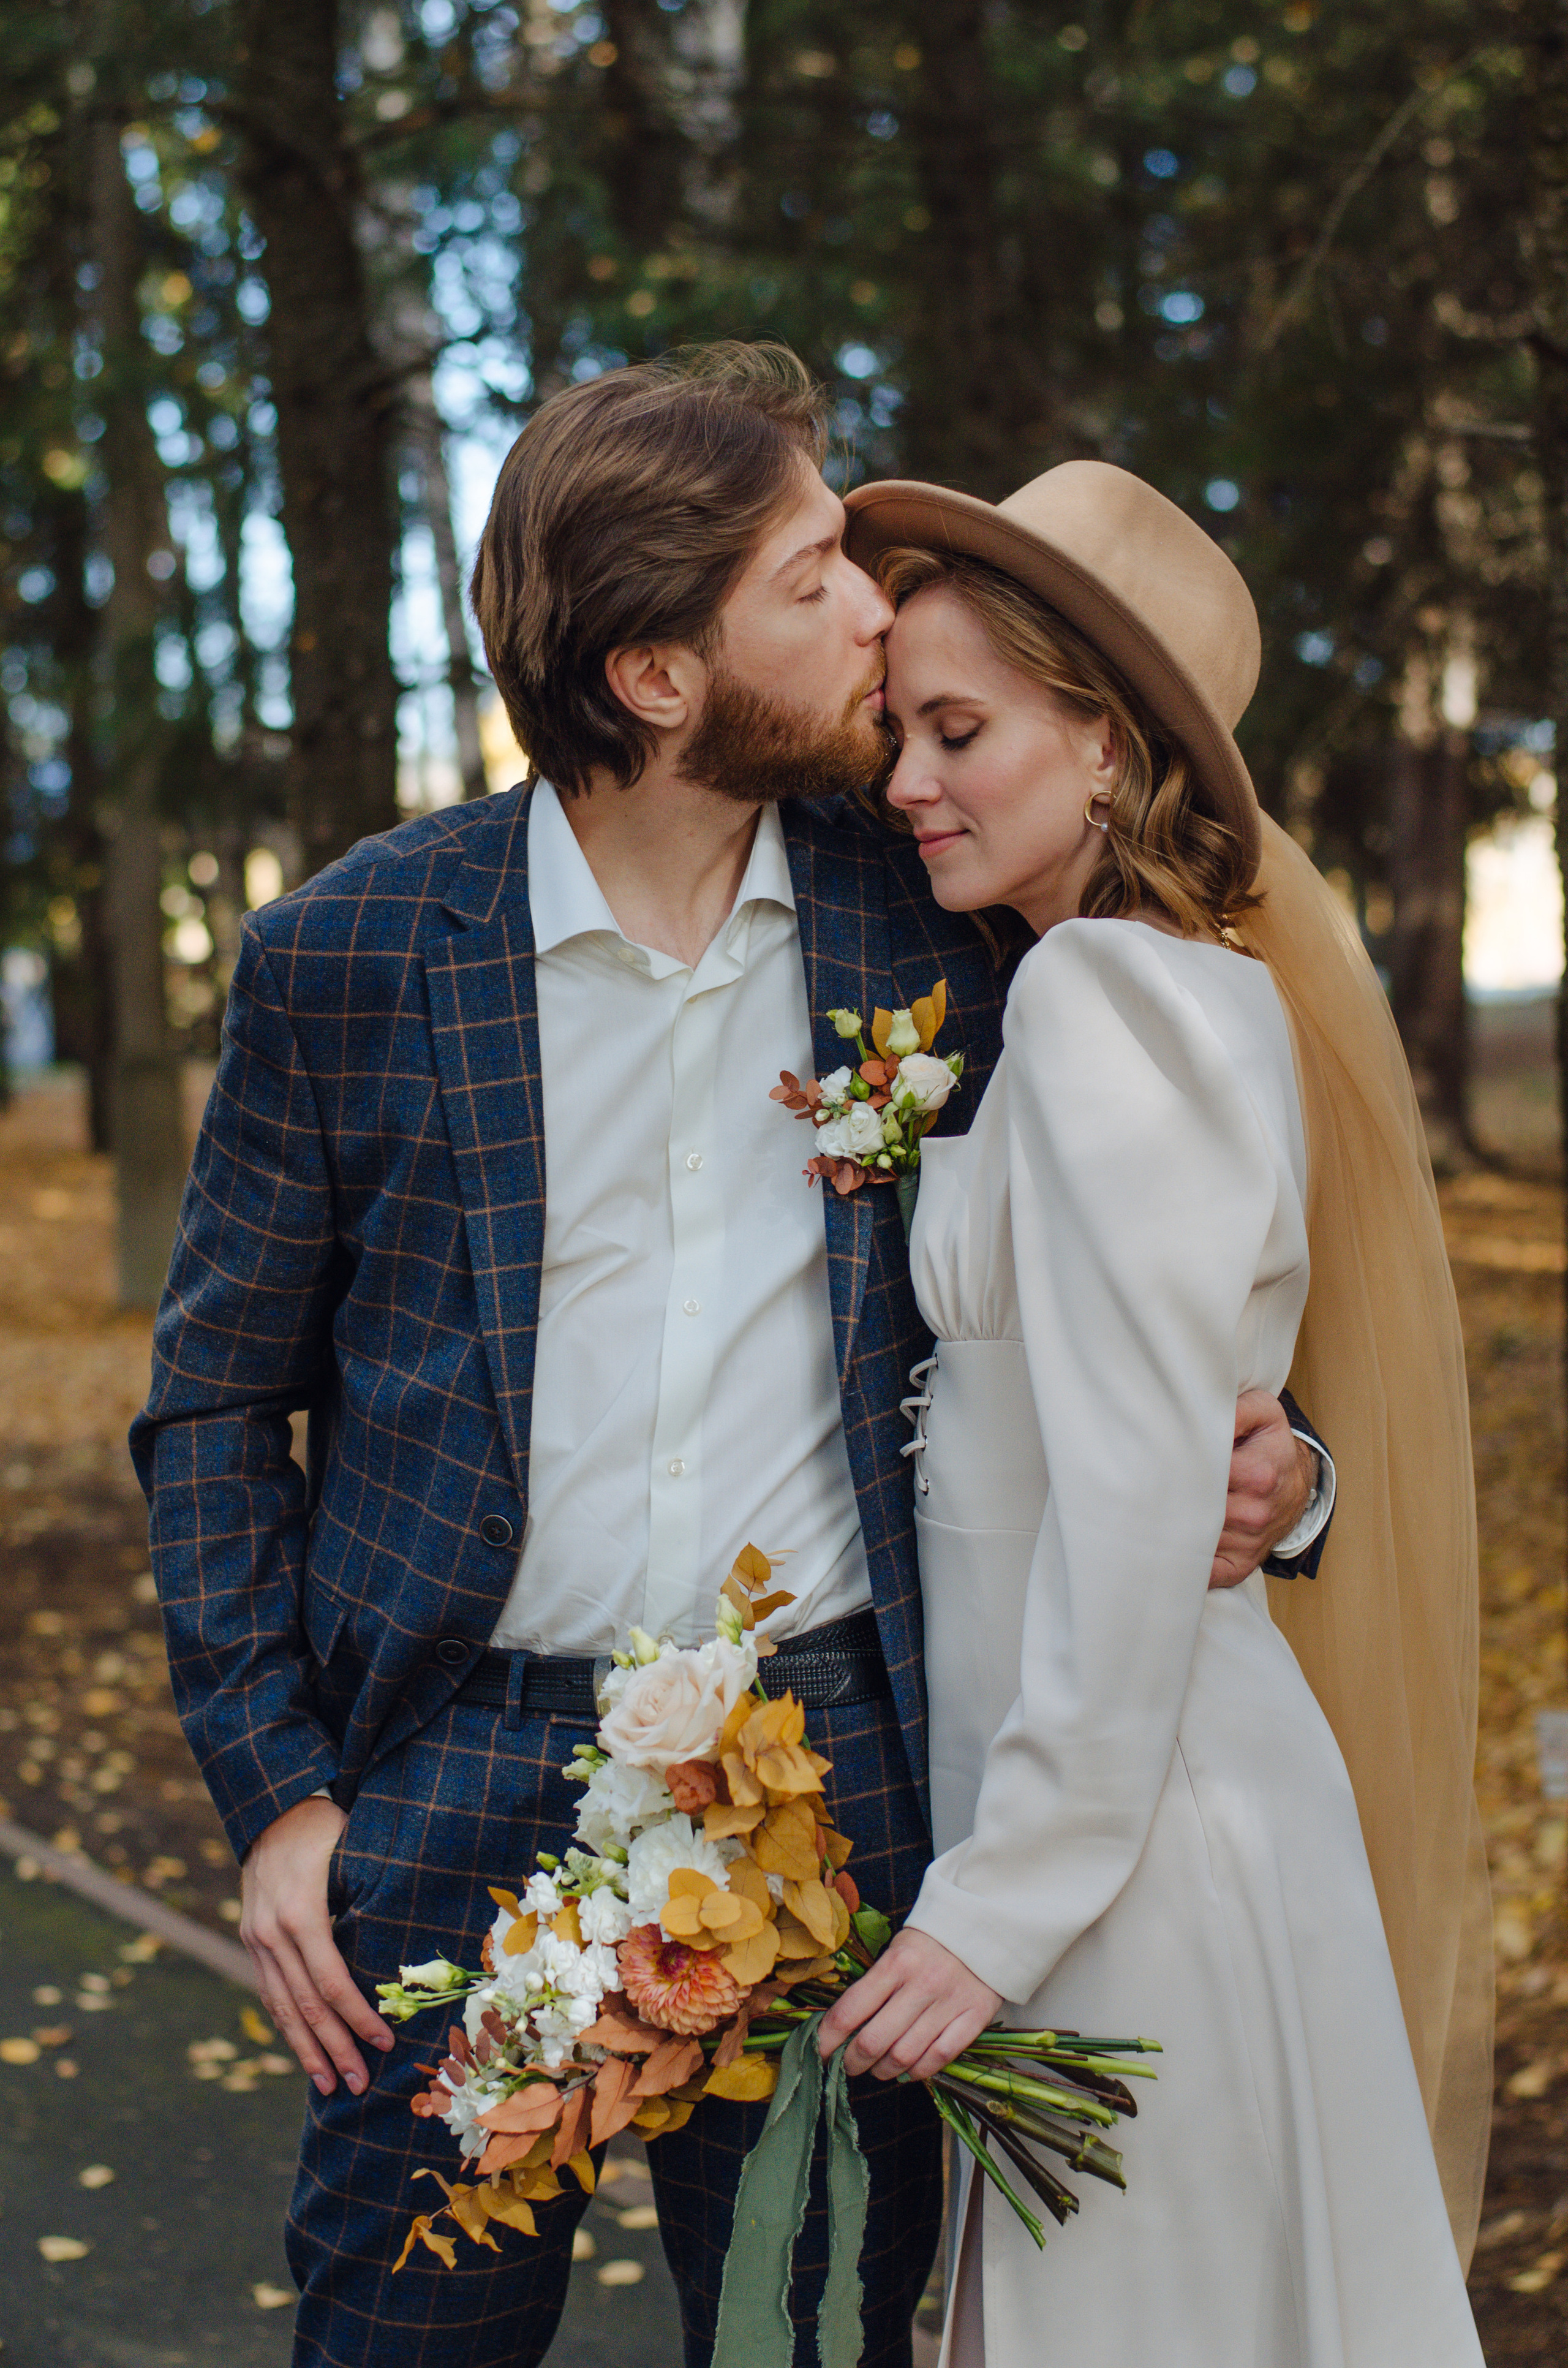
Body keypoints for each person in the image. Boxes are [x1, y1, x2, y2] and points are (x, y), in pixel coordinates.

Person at [130, 347, 1330, 2368]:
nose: (879, 610)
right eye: (812, 578)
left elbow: (1166, 1232)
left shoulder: (946, 902)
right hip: (449, 1782)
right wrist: (276, 1798)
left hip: (840, 1779)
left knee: (822, 2343)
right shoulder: (350, 957)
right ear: (659, 676)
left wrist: (1290, 1463)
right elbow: (214, 1406)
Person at [818, 462, 1493, 2366]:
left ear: (1106, 750)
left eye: (960, 731)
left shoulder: (1108, 1003)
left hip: (1126, 1837)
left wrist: (1000, 1904)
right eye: (902, 729)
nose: (906, 782)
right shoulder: (1150, 987)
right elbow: (1192, 1437)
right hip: (1135, 1792)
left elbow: (1129, 1499)